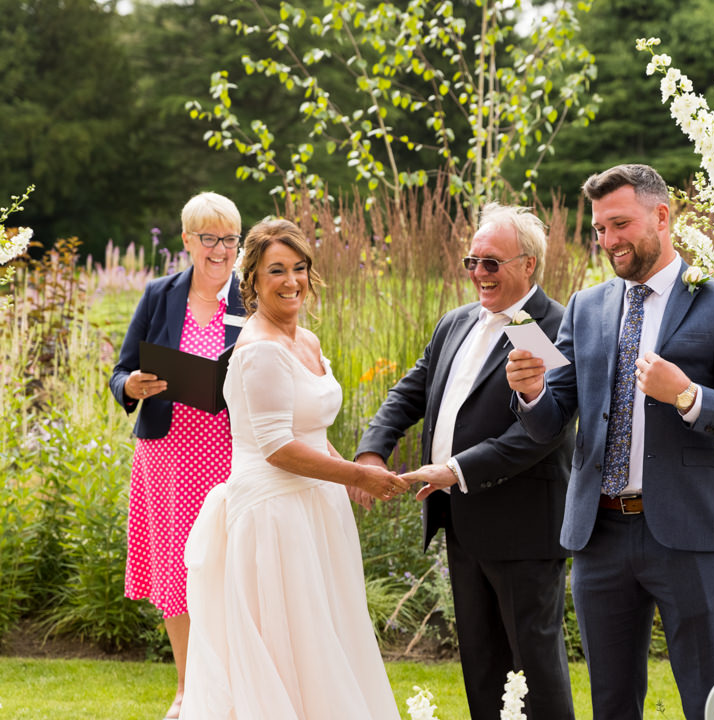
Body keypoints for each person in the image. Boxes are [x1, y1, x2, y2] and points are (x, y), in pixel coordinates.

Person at [505, 163, 714, 720]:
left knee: (709, 698)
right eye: (600, 229)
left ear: (661, 215)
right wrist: (532, 392)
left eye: (620, 224)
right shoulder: (587, 307)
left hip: (685, 536)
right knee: (610, 703)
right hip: (598, 535)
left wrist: (688, 396)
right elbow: (551, 419)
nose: (609, 241)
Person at [180, 219, 409, 719]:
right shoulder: (261, 348)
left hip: (316, 507)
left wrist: (346, 477)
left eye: (299, 268)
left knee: (325, 636)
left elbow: (310, 429)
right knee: (290, 645)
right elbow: (277, 447)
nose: (291, 281)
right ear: (253, 281)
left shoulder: (307, 339)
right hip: (274, 516)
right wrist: (355, 475)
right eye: (276, 270)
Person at [355, 203, 576, 720]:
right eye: (471, 262)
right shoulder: (456, 323)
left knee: (534, 667)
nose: (478, 273)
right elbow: (409, 393)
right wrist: (372, 448)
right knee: (480, 664)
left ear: (528, 265)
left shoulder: (551, 326)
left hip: (523, 525)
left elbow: (539, 433)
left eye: (491, 263)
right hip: (462, 522)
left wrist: (453, 470)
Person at [109, 191, 247, 719]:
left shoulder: (250, 299)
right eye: (208, 238)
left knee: (231, 568)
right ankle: (189, 689)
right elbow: (121, 371)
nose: (219, 249)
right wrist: (134, 385)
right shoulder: (159, 295)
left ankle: (234, 684)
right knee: (179, 573)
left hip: (231, 455)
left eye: (229, 239)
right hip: (167, 457)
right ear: (187, 241)